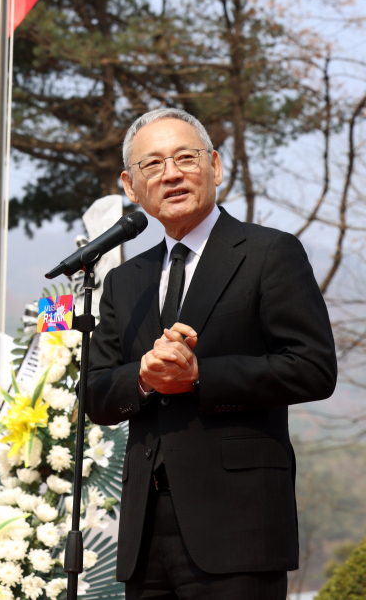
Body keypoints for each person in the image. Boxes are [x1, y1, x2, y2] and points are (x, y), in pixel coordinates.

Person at [87, 108, 337, 600]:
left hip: (238, 526)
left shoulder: (269, 254)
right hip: (143, 532)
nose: (172, 173)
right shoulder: (125, 280)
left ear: (216, 167)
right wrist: (144, 377)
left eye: (185, 157)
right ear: (130, 186)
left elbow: (312, 367)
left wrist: (201, 377)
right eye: (153, 165)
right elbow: (95, 394)